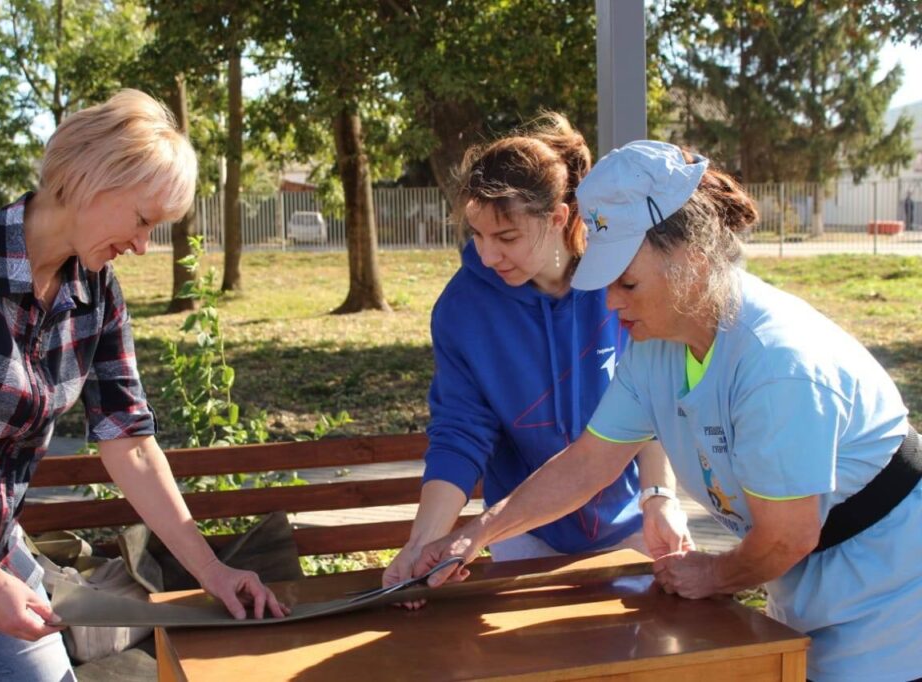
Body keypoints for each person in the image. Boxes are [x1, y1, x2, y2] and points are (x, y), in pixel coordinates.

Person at [413, 140, 922, 682]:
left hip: (891, 596)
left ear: (693, 262)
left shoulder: (777, 364)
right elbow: (588, 464)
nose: (610, 303)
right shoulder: (658, 346)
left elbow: (786, 537)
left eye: (626, 282)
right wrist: (478, 533)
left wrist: (713, 572)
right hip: (808, 588)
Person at [0, 90, 286, 682]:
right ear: (90, 180)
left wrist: (215, 571)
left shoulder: (97, 293)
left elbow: (129, 439)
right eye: (141, 220)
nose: (142, 245)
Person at [383, 116, 692, 603]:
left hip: (632, 524)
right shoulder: (461, 310)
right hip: (521, 533)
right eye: (478, 235)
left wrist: (660, 498)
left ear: (559, 218)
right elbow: (459, 435)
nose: (487, 255)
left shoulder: (620, 281)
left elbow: (646, 406)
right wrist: (421, 546)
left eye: (506, 238)